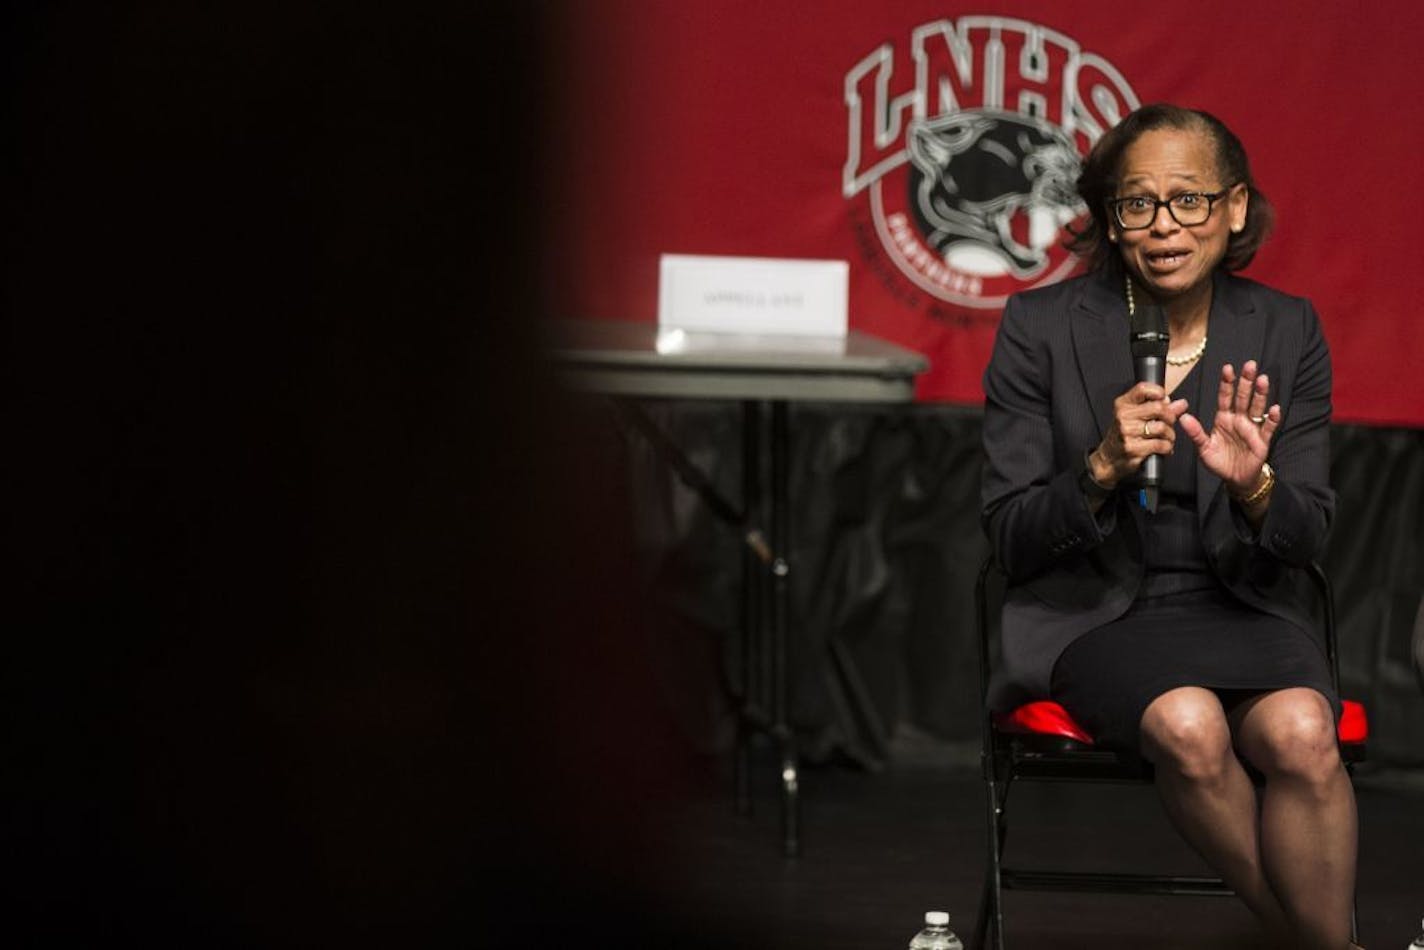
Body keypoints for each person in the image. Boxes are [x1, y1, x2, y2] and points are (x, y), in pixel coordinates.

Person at [981, 104, 1360, 950]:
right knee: (1188, 724)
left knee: (1303, 733)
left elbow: (1307, 535)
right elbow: (1009, 535)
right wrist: (1103, 468)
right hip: (1096, 609)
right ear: (1110, 218)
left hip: (1243, 600)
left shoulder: (1286, 326)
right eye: (1137, 204)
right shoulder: (1039, 328)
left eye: (1188, 200)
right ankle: (1324, 944)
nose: (1163, 227)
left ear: (1233, 208)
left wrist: (1256, 483)